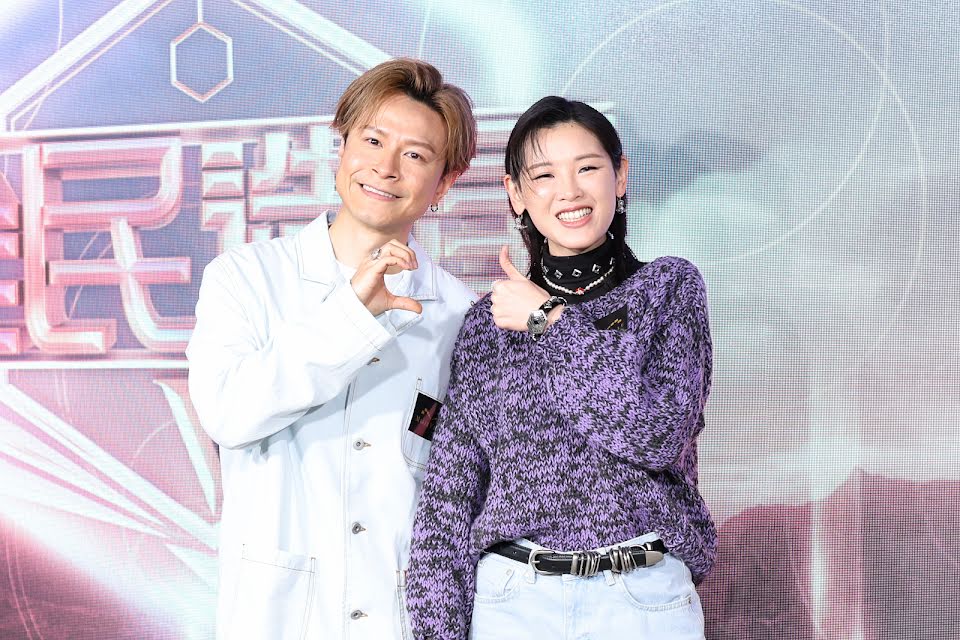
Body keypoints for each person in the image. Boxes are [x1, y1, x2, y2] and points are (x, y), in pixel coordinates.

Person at [405, 96, 717, 640]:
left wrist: (550, 320)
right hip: (514, 601)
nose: (569, 191)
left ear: (620, 176)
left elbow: (658, 435)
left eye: (587, 168)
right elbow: (449, 496)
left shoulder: (668, 289)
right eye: (545, 175)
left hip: (641, 598)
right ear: (515, 194)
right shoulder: (487, 324)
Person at [186, 58, 477, 639]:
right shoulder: (245, 278)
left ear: (443, 183)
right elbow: (227, 412)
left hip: (402, 618)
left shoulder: (460, 314)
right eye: (372, 140)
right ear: (341, 148)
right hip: (278, 616)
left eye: (415, 155)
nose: (386, 167)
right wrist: (351, 315)